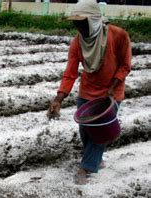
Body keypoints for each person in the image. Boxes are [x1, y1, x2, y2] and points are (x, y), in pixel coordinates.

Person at [47, 0, 132, 184]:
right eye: (76, 23)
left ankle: (87, 167)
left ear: (94, 20)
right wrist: (59, 98)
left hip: (111, 92)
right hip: (88, 91)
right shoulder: (78, 42)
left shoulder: (118, 36)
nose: (78, 27)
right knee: (85, 129)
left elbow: (125, 66)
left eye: (82, 22)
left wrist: (111, 88)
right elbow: (70, 72)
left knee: (99, 129)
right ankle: (96, 159)